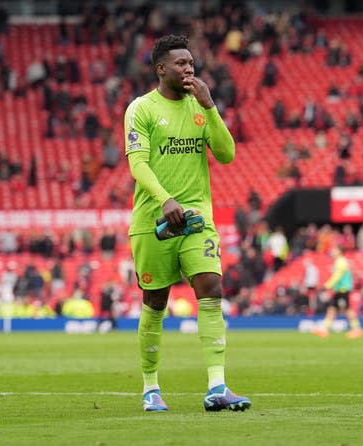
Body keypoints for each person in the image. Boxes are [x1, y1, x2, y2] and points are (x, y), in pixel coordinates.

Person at [124, 35, 251, 413]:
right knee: (155, 302)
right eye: (181, 63)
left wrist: (210, 107)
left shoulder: (200, 109)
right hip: (154, 220)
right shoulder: (141, 109)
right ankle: (150, 387)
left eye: (192, 63)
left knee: (211, 289)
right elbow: (137, 164)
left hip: (196, 217)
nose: (189, 68)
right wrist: (165, 199)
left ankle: (217, 386)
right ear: (161, 68)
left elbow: (227, 155)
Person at [312, 246, 363, 339]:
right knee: (332, 309)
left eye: (334, 250)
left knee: (347, 309)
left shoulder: (341, 262)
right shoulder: (339, 262)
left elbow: (338, 275)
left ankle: (357, 329)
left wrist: (327, 285)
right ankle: (324, 329)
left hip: (343, 290)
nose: (332, 252)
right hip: (339, 290)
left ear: (339, 251)